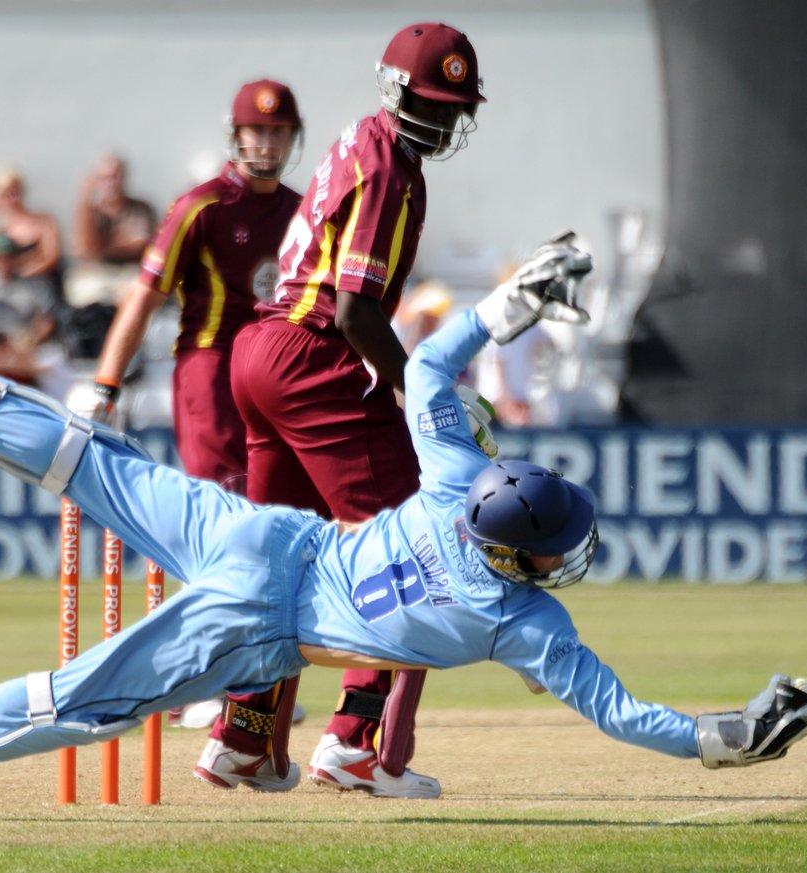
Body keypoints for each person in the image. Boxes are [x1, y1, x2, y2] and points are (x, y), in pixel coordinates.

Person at [0, 234, 807, 819]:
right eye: (553, 551)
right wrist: (727, 738)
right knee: (88, 702)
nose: (560, 563)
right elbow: (621, 715)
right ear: (519, 554)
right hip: (259, 621)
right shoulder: (521, 621)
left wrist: (508, 304)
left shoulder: (458, 475)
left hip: (266, 537)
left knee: (96, 462)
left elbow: (432, 370)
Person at [225, 22, 487, 798]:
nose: (437, 122)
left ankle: (242, 740)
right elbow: (354, 313)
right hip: (312, 355)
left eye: (450, 108)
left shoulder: (357, 139)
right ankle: (358, 743)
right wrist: (417, 390)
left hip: (260, 352)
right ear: (394, 89)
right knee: (418, 547)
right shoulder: (393, 168)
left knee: (277, 558)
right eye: (428, 103)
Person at [78, 78, 305, 742]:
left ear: (293, 138)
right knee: (219, 528)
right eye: (255, 132)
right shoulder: (200, 206)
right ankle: (194, 688)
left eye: (279, 132)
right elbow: (143, 297)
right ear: (236, 137)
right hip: (209, 375)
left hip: (277, 376)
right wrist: (105, 385)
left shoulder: (303, 209)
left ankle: (241, 685)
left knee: (267, 532)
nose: (266, 143)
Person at [65, 154, 157, 310]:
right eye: (105, 178)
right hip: (96, 273)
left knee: (141, 292)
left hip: (129, 271)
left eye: (116, 176)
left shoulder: (141, 209)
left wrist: (102, 249)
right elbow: (86, 245)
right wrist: (85, 199)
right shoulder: (91, 211)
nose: (111, 183)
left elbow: (139, 245)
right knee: (84, 293)